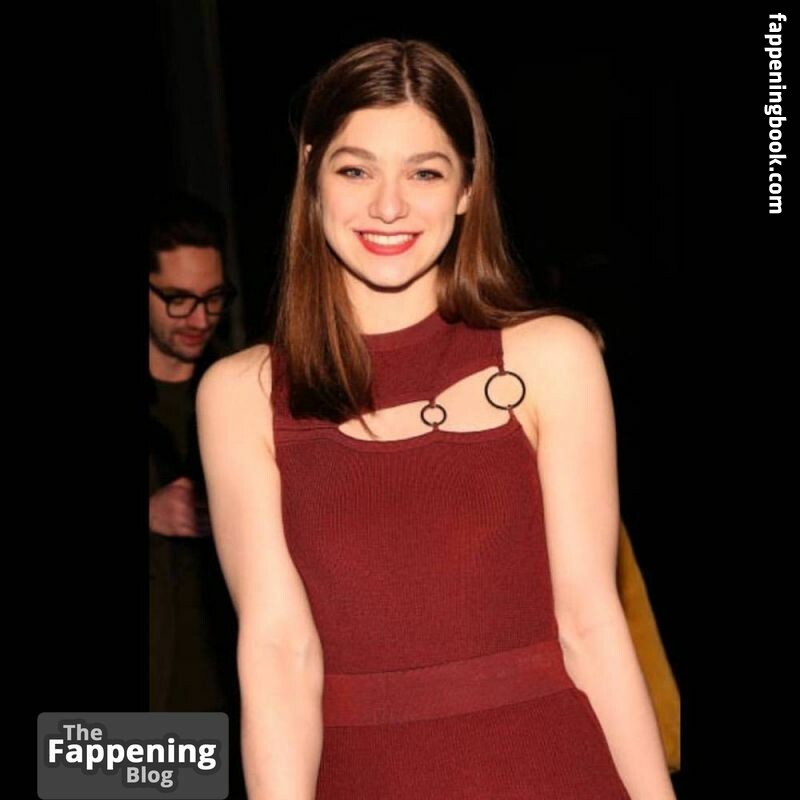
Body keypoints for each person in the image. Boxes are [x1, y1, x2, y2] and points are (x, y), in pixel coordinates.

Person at [196, 39, 676, 799]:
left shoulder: (552, 356)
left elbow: (591, 623)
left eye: (424, 172)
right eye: (356, 170)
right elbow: (279, 654)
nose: (389, 206)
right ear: (311, 174)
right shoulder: (240, 394)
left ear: (466, 189)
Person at [148, 192, 238, 714]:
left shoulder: (246, 391)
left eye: (213, 297)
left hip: (236, 698)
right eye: (178, 299)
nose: (200, 318)